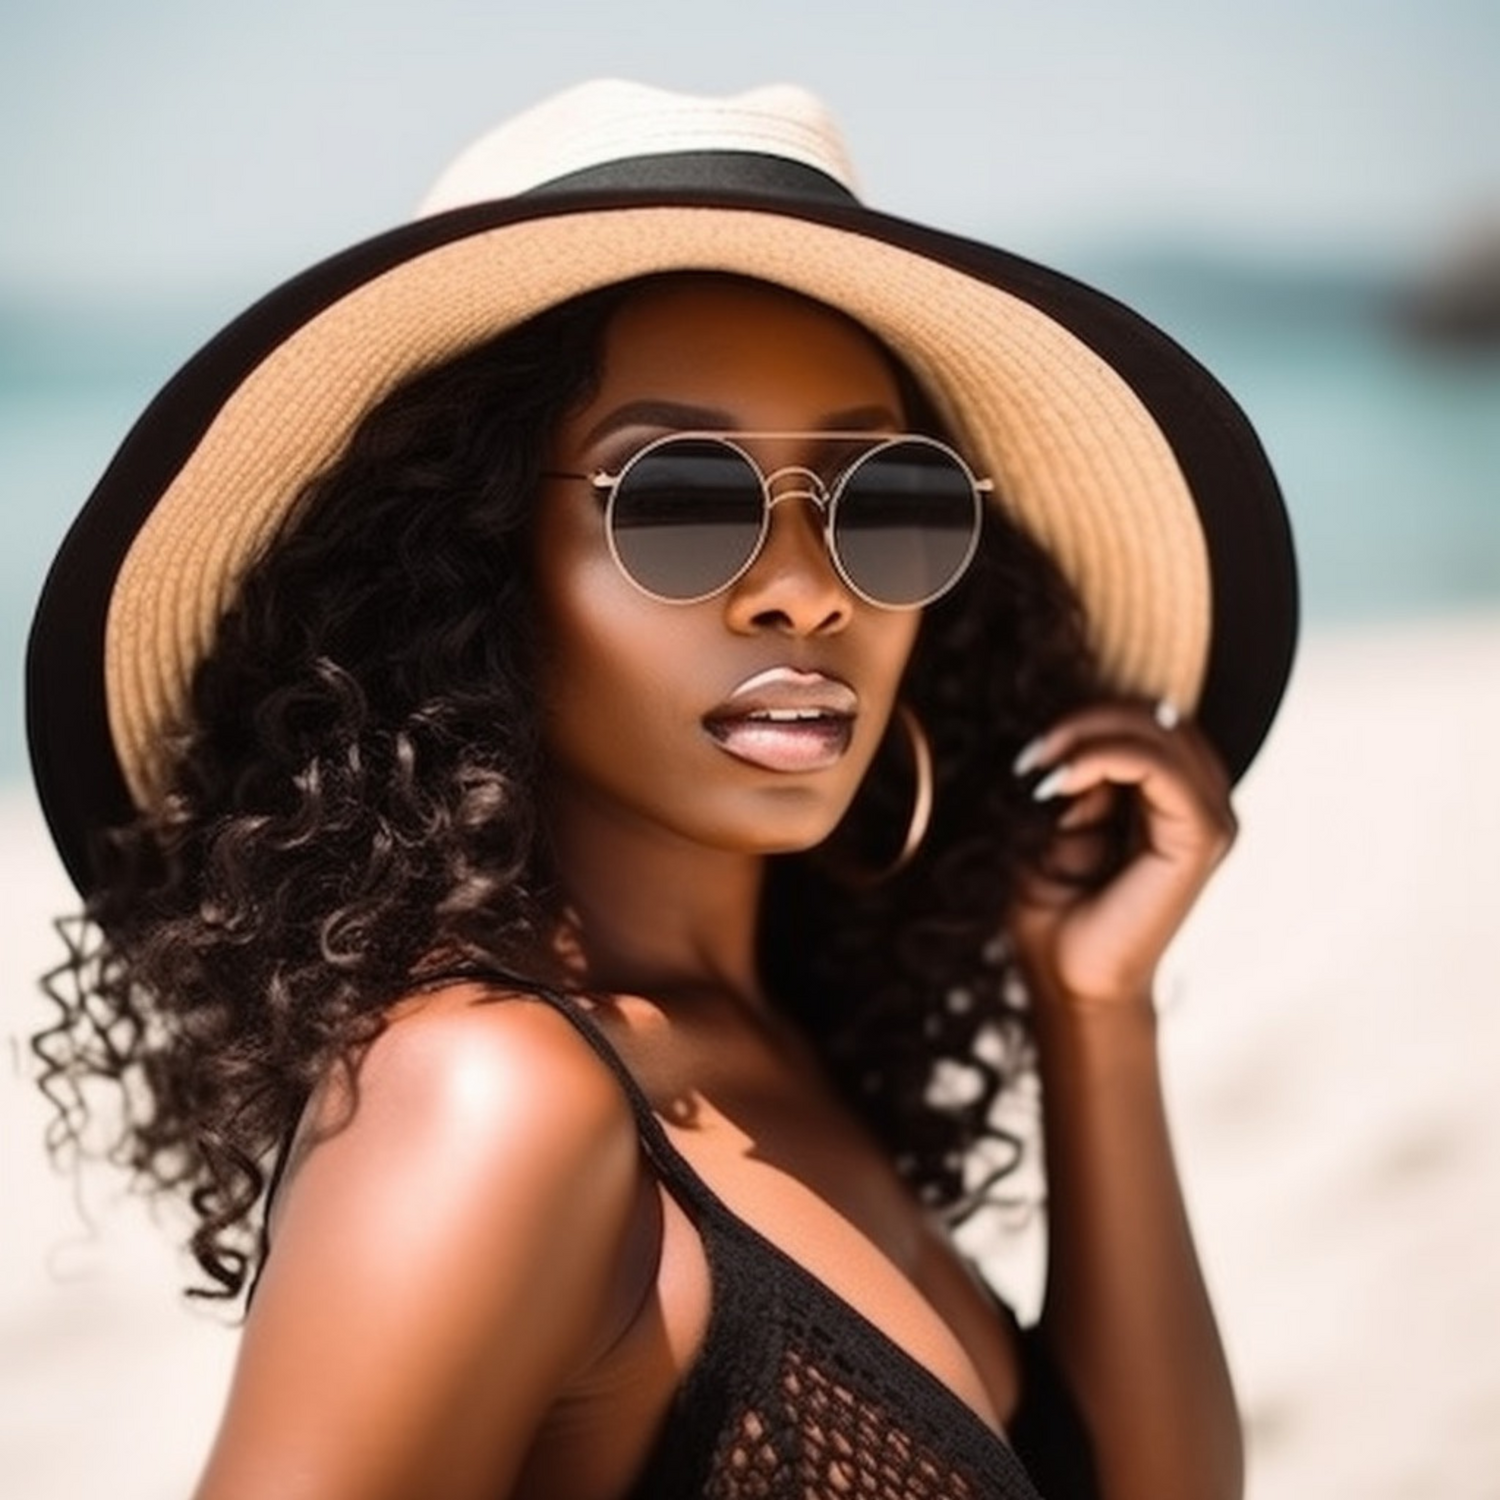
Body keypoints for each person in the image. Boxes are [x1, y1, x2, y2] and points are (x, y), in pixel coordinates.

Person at [26, 81, 1297, 1500]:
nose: (810, 590)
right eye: (682, 499)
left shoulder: (774, 1041)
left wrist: (1094, 1011)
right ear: (474, 574)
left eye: (887, 500)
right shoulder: (490, 1100)